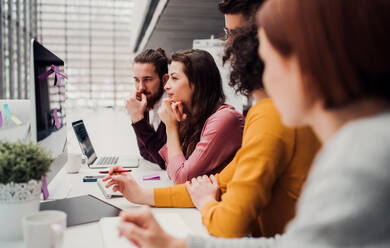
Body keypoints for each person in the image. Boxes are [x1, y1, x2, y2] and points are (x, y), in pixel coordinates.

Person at [115, 0, 390, 247]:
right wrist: (143, 196)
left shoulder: (357, 155)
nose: (263, 79)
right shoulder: (357, 141)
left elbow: (221, 212)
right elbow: (216, 184)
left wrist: (186, 227)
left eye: (269, 64)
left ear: (305, 62)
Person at [104, 22, 320, 238]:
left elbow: (188, 181)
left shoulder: (258, 116)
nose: (167, 86)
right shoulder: (263, 114)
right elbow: (207, 185)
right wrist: (140, 194)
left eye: (174, 79)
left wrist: (206, 202)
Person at [126, 48, 169, 169]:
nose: (140, 88)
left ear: (164, 80)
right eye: (136, 80)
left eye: (147, 79)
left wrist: (137, 118)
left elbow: (165, 160)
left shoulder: (173, 108)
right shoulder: (149, 103)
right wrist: (140, 113)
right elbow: (144, 152)